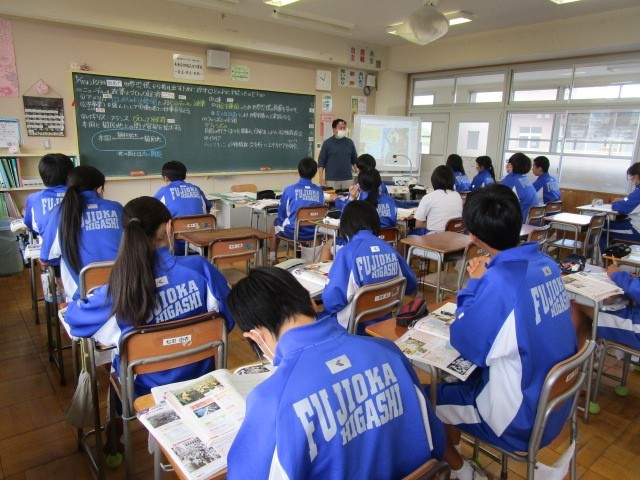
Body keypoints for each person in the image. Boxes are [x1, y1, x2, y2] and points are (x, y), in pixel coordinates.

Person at [225, 266, 445, 480]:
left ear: (256, 336)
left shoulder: (271, 401)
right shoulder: (388, 351)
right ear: (312, 302)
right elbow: (435, 441)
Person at [435, 184, 577, 480]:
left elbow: (466, 344)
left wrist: (475, 283)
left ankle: (464, 472)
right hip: (554, 406)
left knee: (423, 401)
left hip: (517, 420)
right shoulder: (547, 264)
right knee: (453, 381)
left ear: (474, 237)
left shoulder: (500, 282)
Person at [64, 196, 233, 397]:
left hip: (144, 391)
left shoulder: (118, 290)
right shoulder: (201, 269)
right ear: (169, 227)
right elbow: (228, 318)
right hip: (203, 378)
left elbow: (74, 321)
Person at [322, 200, 417, 333]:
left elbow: (332, 302)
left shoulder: (347, 252)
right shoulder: (389, 248)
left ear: (345, 223)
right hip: (384, 321)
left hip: (353, 326)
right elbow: (411, 285)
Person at [40, 165, 123, 301]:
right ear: (99, 189)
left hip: (83, 296)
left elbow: (46, 258)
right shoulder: (116, 208)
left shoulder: (59, 213)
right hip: (123, 288)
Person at [270, 157, 325, 264]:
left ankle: (272, 258)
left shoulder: (289, 190)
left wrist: (285, 220)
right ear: (314, 174)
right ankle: (311, 259)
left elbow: (282, 213)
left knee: (275, 224)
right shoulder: (319, 191)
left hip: (294, 232)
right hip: (314, 232)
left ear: (299, 171)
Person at [154, 160, 212, 255]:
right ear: (184, 176)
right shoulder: (196, 189)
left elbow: (152, 212)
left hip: (176, 245)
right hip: (200, 242)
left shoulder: (163, 192)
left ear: (166, 178)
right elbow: (207, 210)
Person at [24, 153, 74, 236]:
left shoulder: (33, 198)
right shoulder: (80, 195)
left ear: (43, 176)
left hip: (47, 242)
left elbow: (30, 225)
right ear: (70, 175)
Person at [411, 165, 463, 235]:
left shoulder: (429, 197)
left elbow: (418, 225)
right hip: (455, 235)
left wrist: (432, 223)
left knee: (408, 233)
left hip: (435, 237)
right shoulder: (457, 196)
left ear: (434, 180)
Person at [600, 162, 640, 251]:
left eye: (630, 177)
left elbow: (621, 208)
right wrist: (622, 201)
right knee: (608, 225)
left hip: (636, 229)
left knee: (599, 227)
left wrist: (616, 203)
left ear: (636, 176)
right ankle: (610, 255)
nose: (631, 180)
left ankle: (600, 258)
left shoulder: (639, 191)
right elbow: (629, 203)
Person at [318, 118, 357, 189]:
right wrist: (320, 177)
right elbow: (321, 161)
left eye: (344, 128)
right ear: (334, 129)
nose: (343, 130)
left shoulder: (350, 142)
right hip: (331, 179)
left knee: (349, 195)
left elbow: (354, 160)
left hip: (347, 178)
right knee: (332, 196)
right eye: (340, 128)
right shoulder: (327, 143)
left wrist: (358, 173)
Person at [500, 152, 539, 222]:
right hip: (533, 219)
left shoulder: (510, 180)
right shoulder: (525, 178)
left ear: (511, 165)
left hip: (520, 222)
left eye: (508, 162)